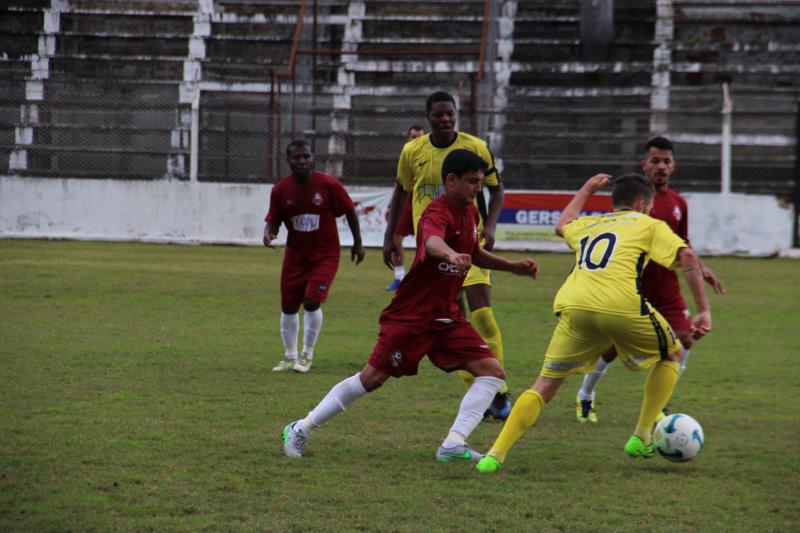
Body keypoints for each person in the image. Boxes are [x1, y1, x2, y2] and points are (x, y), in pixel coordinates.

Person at [281, 150, 539, 461]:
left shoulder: (470, 214)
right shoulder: (436, 212)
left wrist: (512, 266)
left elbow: (475, 252)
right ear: (451, 180)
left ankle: (453, 444)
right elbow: (431, 242)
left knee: (492, 372)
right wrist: (450, 255)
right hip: (411, 316)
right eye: (472, 182)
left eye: (480, 183)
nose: (477, 189)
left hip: (446, 317)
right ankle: (300, 427)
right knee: (371, 379)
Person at [476, 173, 712, 473]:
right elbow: (687, 255)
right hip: (619, 304)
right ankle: (641, 435)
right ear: (642, 204)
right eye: (649, 207)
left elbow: (562, 225)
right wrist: (703, 309)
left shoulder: (591, 223)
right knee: (673, 354)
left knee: (545, 384)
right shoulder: (648, 224)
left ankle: (494, 455)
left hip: (573, 305)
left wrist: (586, 189)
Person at [574, 136, 725, 423]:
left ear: (674, 166)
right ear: (644, 164)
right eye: (655, 160)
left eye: (666, 161)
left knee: (685, 339)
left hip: (666, 287)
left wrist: (702, 269)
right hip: (631, 286)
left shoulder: (679, 203)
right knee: (612, 347)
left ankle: (658, 405)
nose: (661, 166)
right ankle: (585, 396)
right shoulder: (632, 202)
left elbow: (683, 243)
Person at [382, 91, 512, 419]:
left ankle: (499, 392)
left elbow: (497, 189)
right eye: (438, 114)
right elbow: (401, 190)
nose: (445, 119)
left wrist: (491, 228)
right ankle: (480, 390)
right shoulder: (413, 151)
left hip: (469, 243)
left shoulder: (476, 147)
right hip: (434, 252)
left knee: (483, 316)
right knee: (452, 323)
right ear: (428, 117)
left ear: (456, 115)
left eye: (449, 114)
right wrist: (390, 236)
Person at [265, 140, 366, 374]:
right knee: (288, 307)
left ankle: (306, 354)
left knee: (311, 301)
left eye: (306, 157)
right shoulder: (280, 189)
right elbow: (274, 219)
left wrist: (358, 243)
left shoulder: (328, 184)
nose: (301, 161)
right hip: (295, 256)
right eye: (296, 158)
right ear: (288, 160)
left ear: (312, 158)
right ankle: (289, 356)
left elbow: (350, 211)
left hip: (325, 255)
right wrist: (268, 233)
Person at [386, 124, 426, 291]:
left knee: (427, 241)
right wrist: (391, 206)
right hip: (406, 201)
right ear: (408, 138)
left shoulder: (432, 154)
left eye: (419, 137)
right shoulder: (406, 154)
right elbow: (400, 184)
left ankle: (424, 278)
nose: (416, 140)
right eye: (413, 137)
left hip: (424, 200)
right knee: (395, 237)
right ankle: (399, 277)